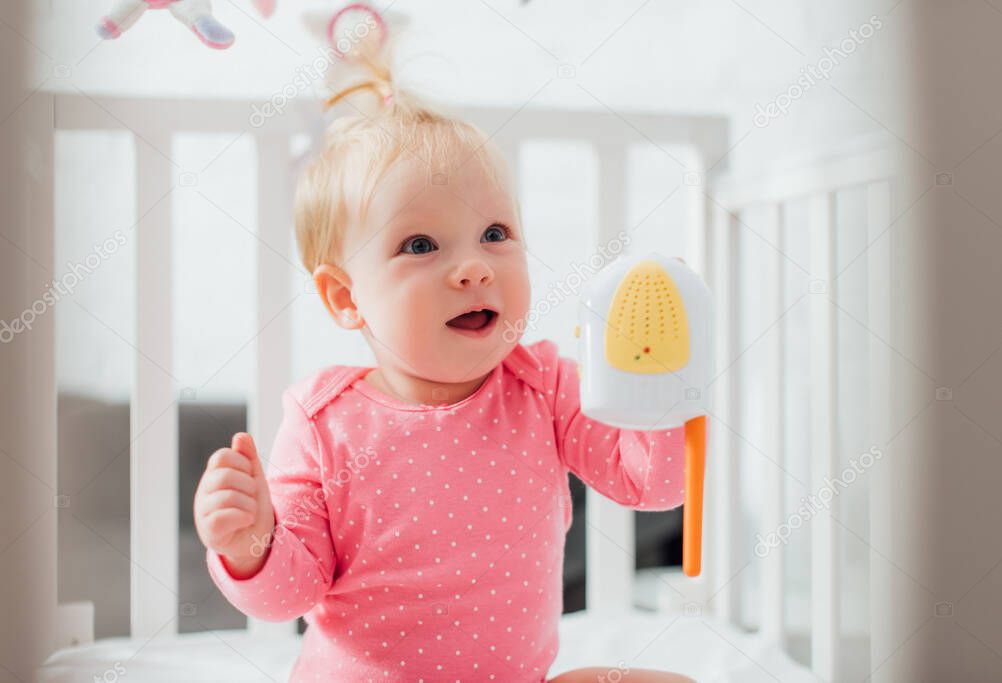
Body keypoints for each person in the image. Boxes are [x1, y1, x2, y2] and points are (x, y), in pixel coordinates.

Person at [193, 29, 696, 683]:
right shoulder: (323, 422)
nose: (472, 268)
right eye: (422, 245)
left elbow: (652, 484)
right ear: (346, 297)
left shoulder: (543, 386)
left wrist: (654, 379)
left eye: (495, 234)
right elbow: (289, 591)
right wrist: (250, 544)